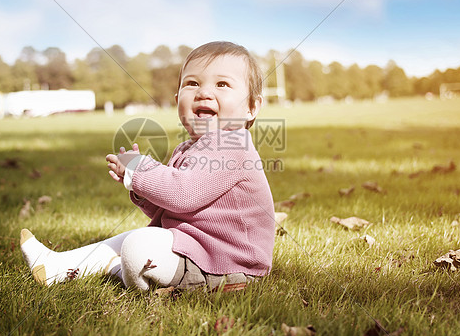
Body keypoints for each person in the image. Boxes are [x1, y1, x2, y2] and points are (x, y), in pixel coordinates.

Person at [19, 41, 276, 291]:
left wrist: (141, 169)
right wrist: (140, 187)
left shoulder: (233, 145)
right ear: (177, 100)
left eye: (222, 84)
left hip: (230, 261)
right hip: (197, 246)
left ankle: (118, 270)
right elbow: (171, 209)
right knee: (132, 240)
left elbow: (183, 195)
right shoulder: (189, 149)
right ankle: (58, 266)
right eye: (192, 83)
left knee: (138, 244)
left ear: (252, 107)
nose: (204, 92)